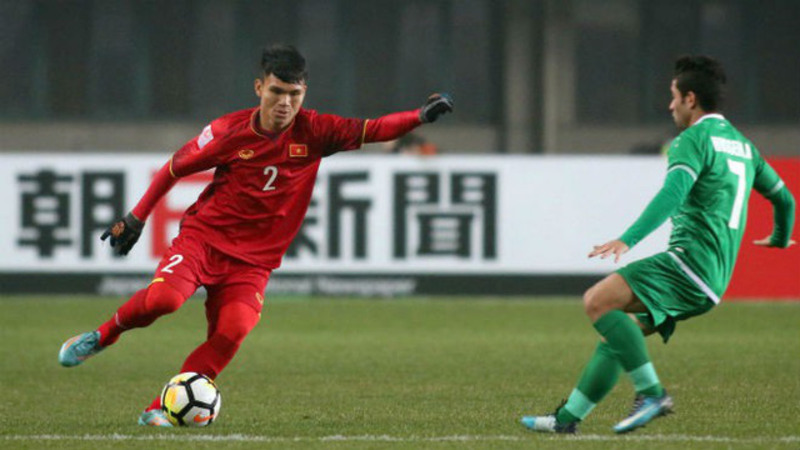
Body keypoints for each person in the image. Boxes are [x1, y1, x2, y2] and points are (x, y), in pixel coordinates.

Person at [58, 44, 454, 427]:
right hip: (204, 240)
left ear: (304, 93)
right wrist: (136, 218)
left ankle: (159, 408)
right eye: (277, 91)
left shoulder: (316, 130)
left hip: (253, 262)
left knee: (233, 331)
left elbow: (374, 129)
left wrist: (420, 116)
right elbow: (175, 168)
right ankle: (104, 335)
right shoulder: (227, 132)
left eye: (294, 94)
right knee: (165, 300)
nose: (285, 103)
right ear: (259, 87)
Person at [521, 55, 795, 434]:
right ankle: (567, 419)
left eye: (673, 96)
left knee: (598, 301)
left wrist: (627, 239)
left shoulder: (693, 140)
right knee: (620, 336)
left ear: (690, 99)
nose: (670, 105)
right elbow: (785, 199)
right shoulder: (744, 147)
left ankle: (652, 394)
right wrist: (780, 238)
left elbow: (672, 194)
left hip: (689, 264)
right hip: (714, 278)